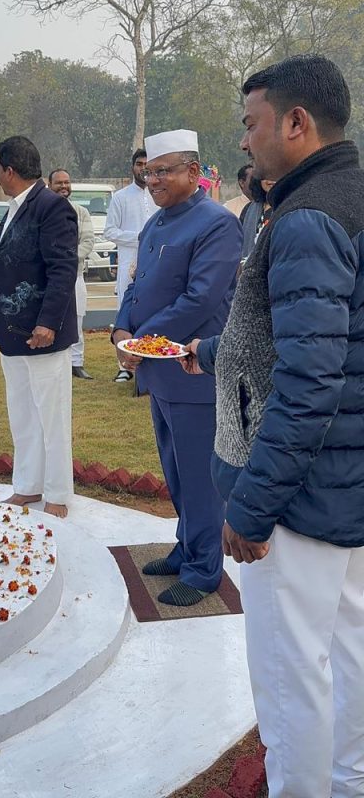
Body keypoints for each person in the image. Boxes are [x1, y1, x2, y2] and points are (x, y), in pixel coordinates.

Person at [182, 55, 364, 798]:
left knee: (291, 682)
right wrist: (210, 353)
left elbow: (311, 379)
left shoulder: (307, 217)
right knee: (349, 657)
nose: (244, 140)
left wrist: (253, 505)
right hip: (342, 477)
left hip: (299, 494)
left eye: (251, 123)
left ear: (296, 122)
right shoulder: (340, 196)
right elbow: (319, 338)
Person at [112, 129, 242, 605]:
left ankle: (205, 570)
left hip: (194, 373)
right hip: (159, 372)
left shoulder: (217, 224)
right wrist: (121, 330)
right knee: (175, 469)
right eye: (149, 172)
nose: (153, 180)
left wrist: (140, 341)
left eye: (163, 171)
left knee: (200, 477)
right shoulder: (156, 224)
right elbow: (137, 286)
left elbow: (199, 299)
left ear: (193, 171)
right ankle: (186, 546)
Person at [0, 136, 78, 518]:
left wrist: (48, 322)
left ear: (9, 170)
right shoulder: (15, 208)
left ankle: (57, 494)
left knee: (52, 417)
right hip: (13, 333)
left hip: (41, 334)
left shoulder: (52, 207)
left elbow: (63, 269)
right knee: (22, 414)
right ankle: (27, 486)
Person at [104, 148, 158, 381]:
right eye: (139, 164)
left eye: (147, 164)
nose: (143, 168)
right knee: (126, 312)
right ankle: (124, 366)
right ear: (133, 167)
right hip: (129, 264)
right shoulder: (120, 197)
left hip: (156, 263)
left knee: (154, 310)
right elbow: (110, 231)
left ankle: (152, 363)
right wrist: (139, 237)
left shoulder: (160, 195)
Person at [48, 169, 95, 379]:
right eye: (59, 183)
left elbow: (88, 242)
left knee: (76, 320)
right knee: (50, 320)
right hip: (48, 277)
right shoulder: (42, 212)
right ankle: (53, 363)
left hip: (73, 275)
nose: (64, 186)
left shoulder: (80, 212)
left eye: (67, 182)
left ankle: (76, 363)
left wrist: (66, 261)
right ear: (49, 185)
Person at [240, 174, 274, 260]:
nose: (271, 180)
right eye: (266, 174)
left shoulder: (288, 208)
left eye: (276, 174)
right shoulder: (249, 208)